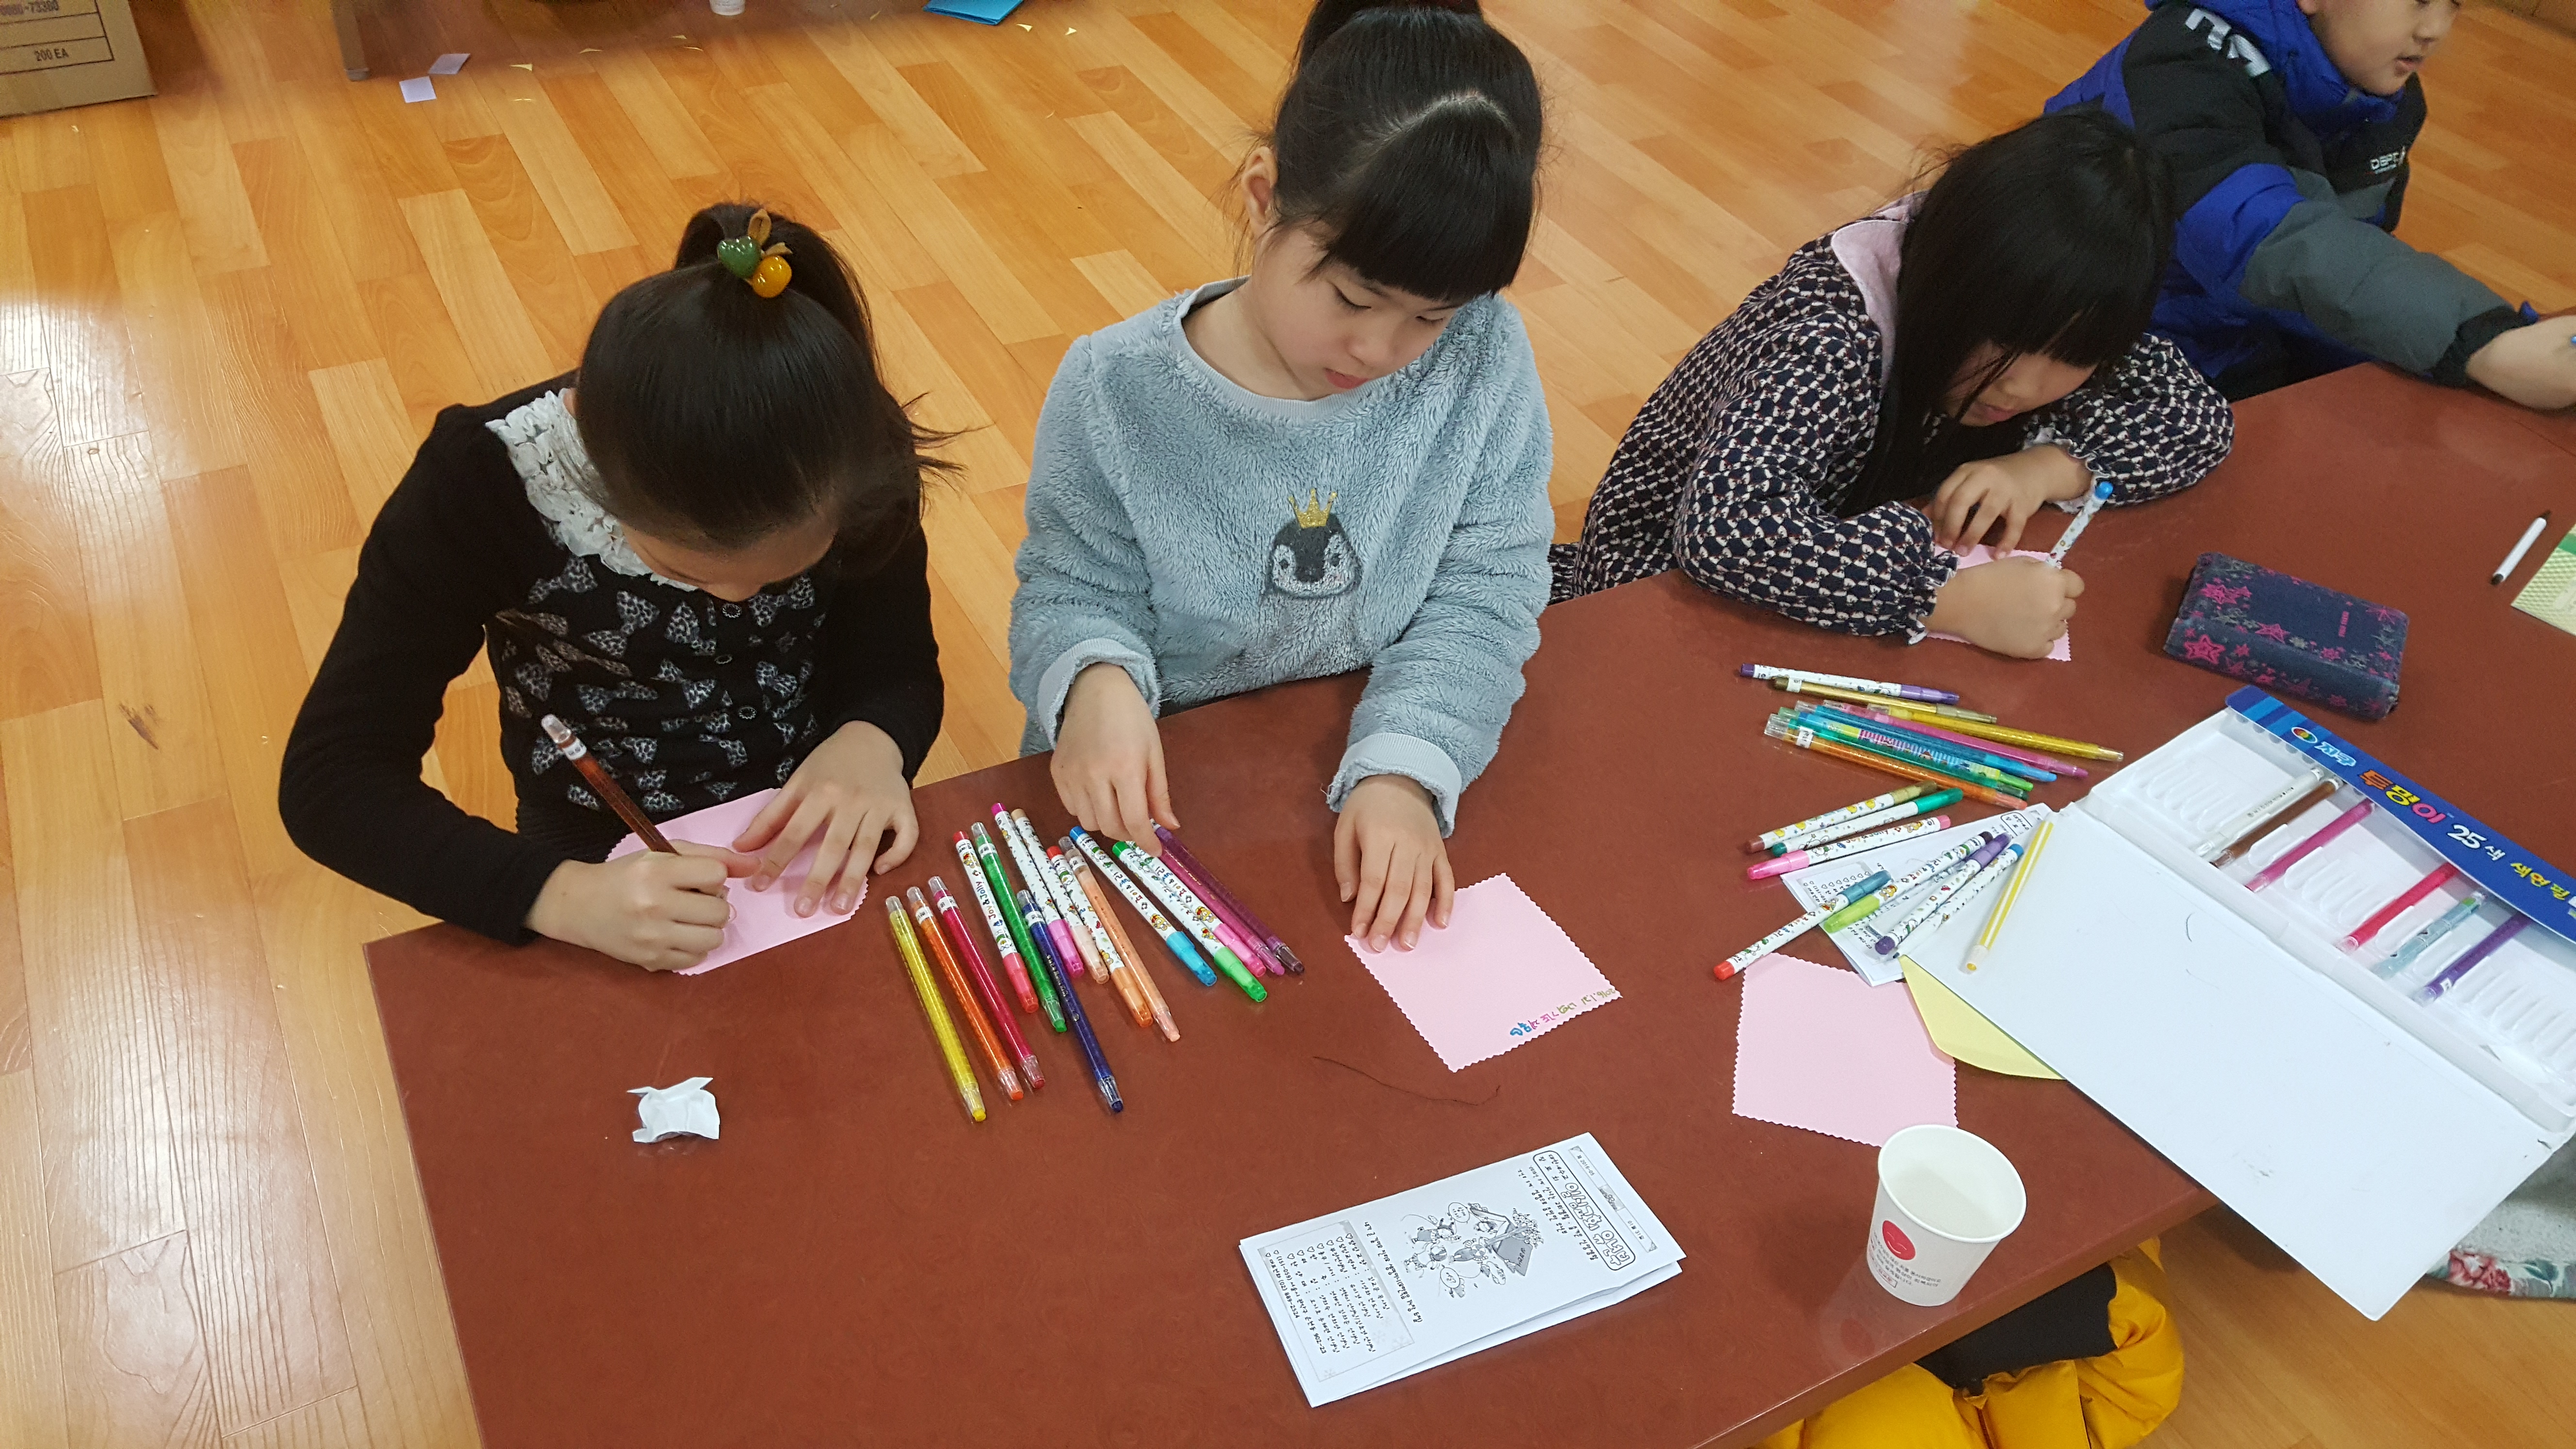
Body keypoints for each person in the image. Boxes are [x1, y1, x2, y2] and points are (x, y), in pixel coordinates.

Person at [1008, 0, 1551, 954]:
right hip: (1163, 799)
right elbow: (1070, 589)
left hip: (1377, 750)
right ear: (1263, 198)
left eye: (1431, 317)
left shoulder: (1482, 357)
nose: (1380, 348)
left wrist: (1405, 765)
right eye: (1351, 296)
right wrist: (1093, 680)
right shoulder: (1116, 387)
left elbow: (1487, 588)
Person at [280, 204, 947, 972]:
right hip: (594, 834)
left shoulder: (854, 450)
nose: (737, 602)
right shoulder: (485, 482)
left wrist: (873, 740)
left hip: (818, 799)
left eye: (784, 573)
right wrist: (561, 895)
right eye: (690, 574)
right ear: (595, 476)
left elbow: (895, 662)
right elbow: (334, 778)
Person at [1551, 109, 2236, 660]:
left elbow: (2198, 418)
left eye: (2072, 355)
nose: (2024, 384)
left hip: (1835, 597)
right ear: (1949, 279)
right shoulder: (1831, 331)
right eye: (2005, 342)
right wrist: (1943, 600)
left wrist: (2045, 469)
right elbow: (1727, 532)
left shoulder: (2053, 303)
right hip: (1654, 598)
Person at [2048, 0, 2576, 408]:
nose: (2435, 29)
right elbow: (2264, 242)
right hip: (2092, 352)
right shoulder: (2182, 63)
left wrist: (2481, 352)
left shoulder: (2382, 101)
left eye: (2453, 4)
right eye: (2416, 1)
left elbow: (2342, 267)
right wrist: (2477, 341)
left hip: (2242, 336)